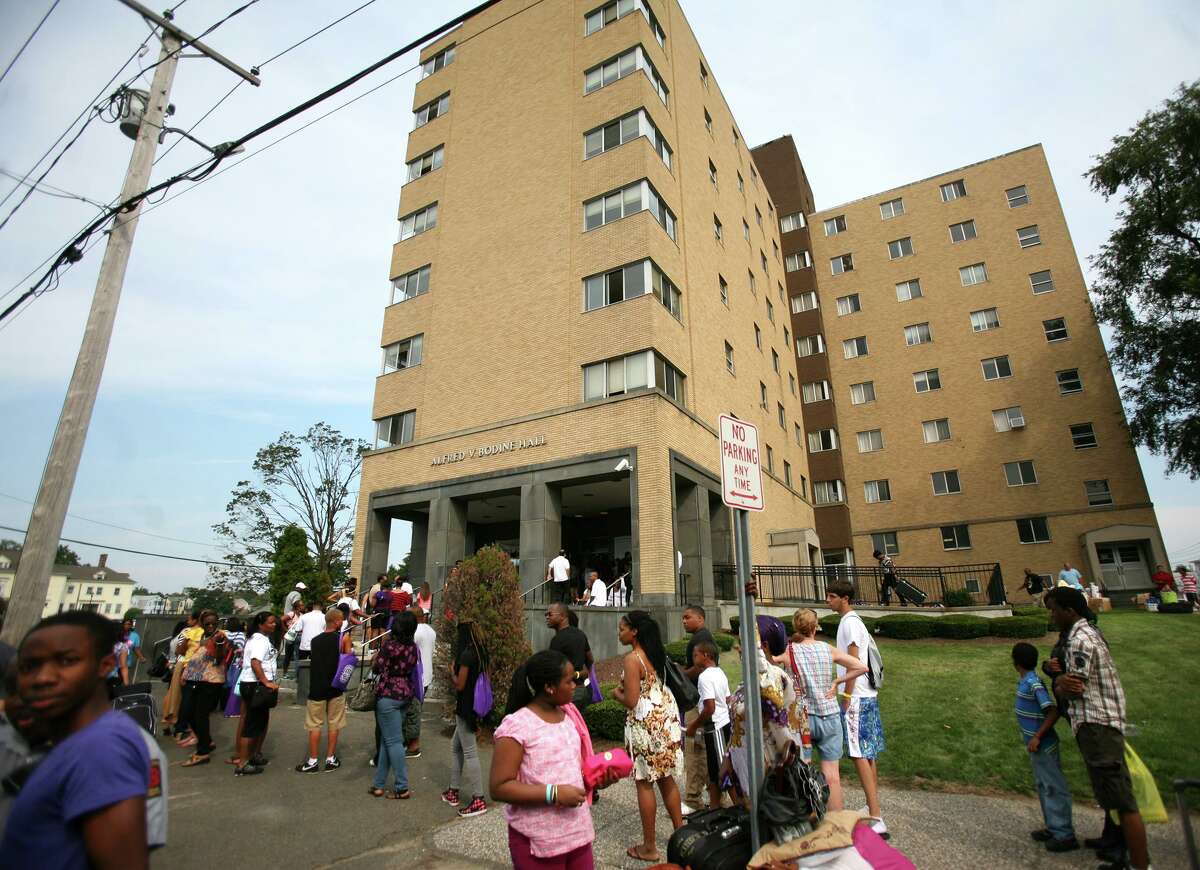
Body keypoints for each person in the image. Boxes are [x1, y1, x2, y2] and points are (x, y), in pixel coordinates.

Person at [2, 611, 154, 867]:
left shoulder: (100, 747)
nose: (43, 678)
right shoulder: (75, 740)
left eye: (67, 661)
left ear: (105, 665)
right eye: (30, 667)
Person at [1045, 587, 1152, 870]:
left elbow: (1073, 687)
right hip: (1099, 723)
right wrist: (1057, 673)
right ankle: (1114, 845)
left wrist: (1057, 682)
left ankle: (1139, 864)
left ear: (1071, 611)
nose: (1052, 615)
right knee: (1112, 795)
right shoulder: (1088, 633)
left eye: (1055, 609)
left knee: (1123, 801)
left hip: (1097, 724)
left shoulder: (1080, 640)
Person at [491, 650, 621, 869]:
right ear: (549, 687)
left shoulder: (569, 716)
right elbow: (499, 787)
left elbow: (570, 771)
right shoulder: (516, 726)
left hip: (577, 835)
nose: (575, 685)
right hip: (538, 842)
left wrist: (594, 780)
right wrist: (555, 793)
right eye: (569, 681)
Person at [777, 609, 867, 812]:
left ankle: (805, 819)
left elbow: (769, 662)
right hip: (830, 715)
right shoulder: (827, 649)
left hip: (803, 720)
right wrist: (837, 681)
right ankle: (836, 825)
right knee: (832, 776)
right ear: (815, 627)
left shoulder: (789, 651)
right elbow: (861, 667)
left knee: (801, 772)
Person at [613, 610, 684, 863]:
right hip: (664, 722)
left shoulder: (633, 659)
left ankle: (650, 846)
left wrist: (616, 695)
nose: (619, 632)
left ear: (634, 632)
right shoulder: (655, 653)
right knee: (666, 779)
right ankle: (681, 835)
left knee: (644, 782)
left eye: (622, 628)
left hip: (645, 726)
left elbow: (631, 700)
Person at [826, 579, 888, 838]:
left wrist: (846, 695)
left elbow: (853, 662)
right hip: (866, 694)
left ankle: (876, 817)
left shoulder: (849, 623)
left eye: (831, 596)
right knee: (868, 752)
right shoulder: (854, 621)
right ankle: (871, 806)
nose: (828, 601)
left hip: (857, 696)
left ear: (844, 598)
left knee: (857, 753)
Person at [1011, 641, 1078, 853]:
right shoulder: (1026, 681)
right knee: (1043, 786)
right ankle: (1053, 826)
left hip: (1043, 745)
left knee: (1053, 786)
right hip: (1036, 746)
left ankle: (1064, 834)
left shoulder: (1034, 684)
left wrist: (1037, 737)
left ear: (1015, 663)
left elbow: (1052, 711)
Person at [368, 610, 418, 798]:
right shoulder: (413, 647)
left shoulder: (390, 646)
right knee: (387, 740)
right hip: (405, 693)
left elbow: (377, 667)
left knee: (394, 742)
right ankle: (378, 783)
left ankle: (402, 786)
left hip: (388, 694)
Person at [442, 619, 489, 817]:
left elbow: (459, 685)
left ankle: (478, 798)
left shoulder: (467, 655)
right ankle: (453, 790)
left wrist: (451, 672)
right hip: (476, 705)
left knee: (469, 752)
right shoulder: (482, 653)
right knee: (456, 747)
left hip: (465, 707)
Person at [298, 608, 353, 773]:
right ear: (336, 621)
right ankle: (330, 758)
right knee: (334, 723)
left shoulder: (314, 640)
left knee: (314, 725)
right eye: (341, 620)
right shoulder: (342, 639)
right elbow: (348, 659)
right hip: (335, 687)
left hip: (317, 687)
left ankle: (313, 760)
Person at [179, 611, 233, 766]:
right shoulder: (201, 636)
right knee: (189, 714)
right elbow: (191, 655)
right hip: (195, 677)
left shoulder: (220, 636)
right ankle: (206, 741)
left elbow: (220, 656)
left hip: (211, 680)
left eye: (213, 623)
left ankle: (202, 752)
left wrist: (219, 644)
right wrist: (185, 673)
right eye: (207, 623)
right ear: (202, 623)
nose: (210, 626)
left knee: (200, 715)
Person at [683, 641, 730, 814]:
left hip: (715, 727)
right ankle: (715, 806)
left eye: (696, 655)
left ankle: (739, 807)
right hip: (722, 725)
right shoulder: (720, 673)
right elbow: (727, 699)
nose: (693, 658)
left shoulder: (704, 677)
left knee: (723, 771)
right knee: (713, 770)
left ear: (706, 656)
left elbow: (710, 708)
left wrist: (693, 727)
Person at [679, 604, 717, 814]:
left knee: (695, 750)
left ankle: (693, 800)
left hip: (699, 703)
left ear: (700, 618)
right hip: (701, 702)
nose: (684, 621)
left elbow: (700, 666)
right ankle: (714, 797)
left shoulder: (701, 638)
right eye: (683, 618)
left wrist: (682, 674)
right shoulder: (701, 636)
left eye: (688, 617)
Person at [234, 611, 279, 776]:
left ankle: (252, 755)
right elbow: (255, 662)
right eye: (271, 622)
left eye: (274, 622)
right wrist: (266, 682)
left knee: (259, 721)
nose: (274, 625)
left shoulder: (256, 639)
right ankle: (243, 762)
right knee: (252, 724)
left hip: (253, 683)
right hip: (255, 684)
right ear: (261, 624)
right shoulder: (260, 641)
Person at [545, 603, 594, 711]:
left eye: (550, 614)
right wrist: (581, 674)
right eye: (546, 615)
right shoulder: (580, 634)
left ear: (562, 616)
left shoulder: (557, 640)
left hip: (567, 694)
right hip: (583, 691)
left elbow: (553, 669)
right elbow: (590, 659)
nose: (547, 617)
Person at [161, 609, 202, 734]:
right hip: (188, 664)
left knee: (174, 694)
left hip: (179, 664)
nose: (188, 621)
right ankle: (179, 725)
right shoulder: (190, 632)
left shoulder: (184, 632)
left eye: (189, 618)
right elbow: (180, 650)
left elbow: (175, 650)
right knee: (183, 697)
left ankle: (168, 723)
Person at [406, 605, 436, 758]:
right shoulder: (431, 630)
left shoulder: (415, 632)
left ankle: (413, 745)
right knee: (416, 710)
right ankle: (410, 741)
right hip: (426, 675)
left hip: (417, 676)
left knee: (412, 712)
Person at [280, 600, 305, 674]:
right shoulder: (292, 614)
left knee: (297, 656)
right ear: (297, 607)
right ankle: (285, 672)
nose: (303, 607)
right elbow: (281, 620)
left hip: (299, 636)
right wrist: (285, 630)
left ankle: (297, 673)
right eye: (302, 605)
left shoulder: (302, 615)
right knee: (288, 655)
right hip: (291, 636)